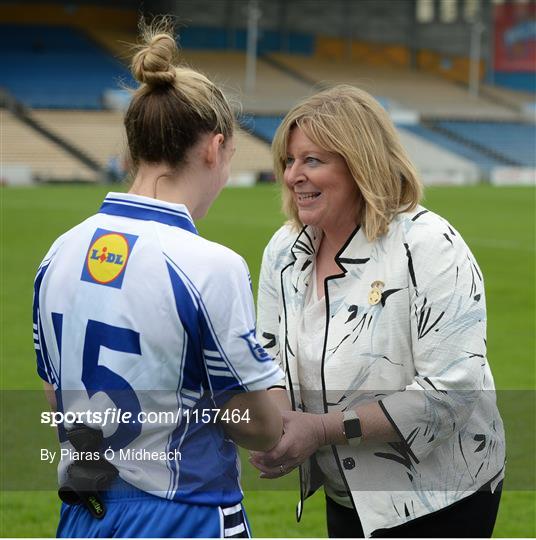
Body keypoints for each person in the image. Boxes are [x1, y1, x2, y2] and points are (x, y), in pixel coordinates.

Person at [33, 21, 283, 538]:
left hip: (82, 514)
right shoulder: (211, 265)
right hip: (181, 516)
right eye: (230, 158)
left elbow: (56, 400)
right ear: (214, 148)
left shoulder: (57, 254)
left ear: (134, 150)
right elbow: (261, 426)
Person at [251, 84, 506, 538]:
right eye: (289, 161)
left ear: (360, 163)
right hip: (346, 494)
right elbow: (267, 358)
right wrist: (280, 427)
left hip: (440, 498)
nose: (293, 176)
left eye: (313, 160)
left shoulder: (428, 245)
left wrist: (322, 429)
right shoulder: (282, 251)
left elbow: (451, 390)